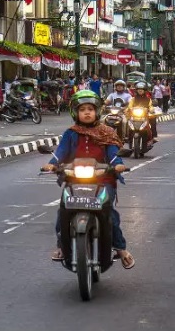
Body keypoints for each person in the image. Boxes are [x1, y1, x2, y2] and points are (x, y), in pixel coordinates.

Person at [41, 90, 134, 269]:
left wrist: (118, 165)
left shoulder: (106, 132)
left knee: (110, 214)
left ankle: (121, 249)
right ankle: (61, 246)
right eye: (82, 109)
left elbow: (114, 155)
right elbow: (60, 153)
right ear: (75, 112)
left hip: (103, 179)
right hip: (75, 179)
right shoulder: (70, 133)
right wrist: (52, 164)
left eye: (90, 109)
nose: (87, 112)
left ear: (97, 111)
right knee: (62, 212)